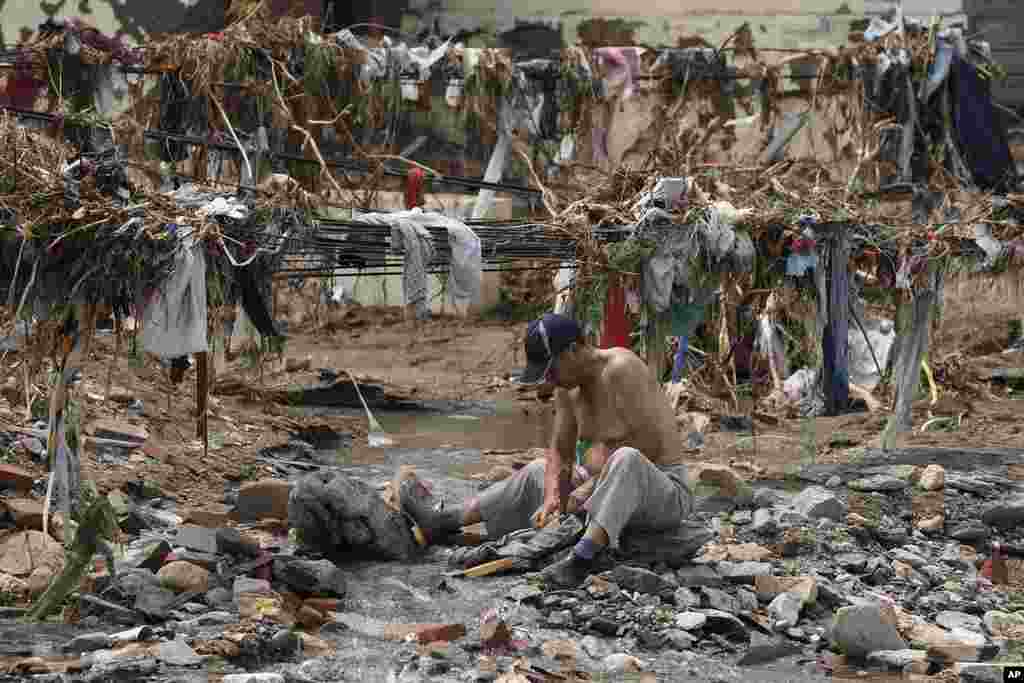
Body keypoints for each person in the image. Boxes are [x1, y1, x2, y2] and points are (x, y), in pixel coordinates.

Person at [399, 313, 693, 586]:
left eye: (551, 370)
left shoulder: (620, 368)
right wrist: (554, 496)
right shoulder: (568, 389)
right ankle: (445, 520)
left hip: (662, 492)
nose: (549, 380)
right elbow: (560, 451)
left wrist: (586, 489)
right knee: (540, 469)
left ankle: (580, 559)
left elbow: (649, 446)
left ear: (573, 351)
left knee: (626, 459)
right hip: (601, 493)